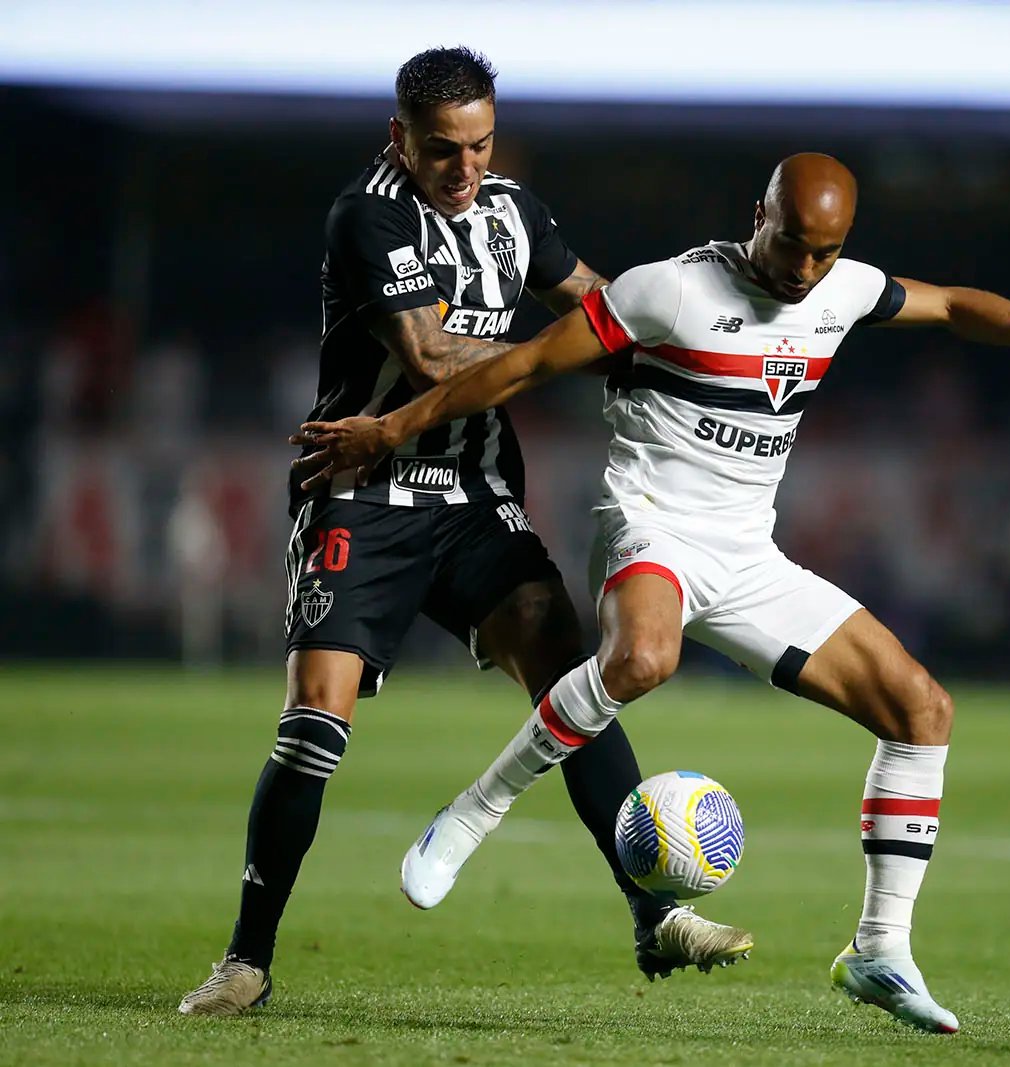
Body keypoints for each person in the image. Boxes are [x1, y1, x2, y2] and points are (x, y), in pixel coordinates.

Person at [290, 152, 1010, 1034]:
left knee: (922, 709)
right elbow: (524, 366)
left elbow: (960, 306)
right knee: (644, 658)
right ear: (758, 215)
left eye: (825, 251)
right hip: (648, 524)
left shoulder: (842, 290)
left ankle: (880, 949)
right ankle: (473, 813)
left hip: (746, 555)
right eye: (791, 244)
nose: (804, 268)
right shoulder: (670, 291)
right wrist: (389, 427)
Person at [178, 47, 747, 1017]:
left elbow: (604, 306)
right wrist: (578, 352)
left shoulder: (517, 211)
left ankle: (655, 913)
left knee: (576, 679)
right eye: (444, 149)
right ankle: (247, 959)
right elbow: (432, 352)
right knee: (317, 719)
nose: (466, 167)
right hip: (364, 490)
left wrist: (681, 337)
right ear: (397, 136)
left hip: (478, 496)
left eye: (480, 144)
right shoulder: (370, 214)